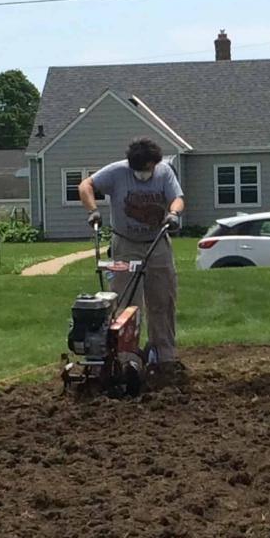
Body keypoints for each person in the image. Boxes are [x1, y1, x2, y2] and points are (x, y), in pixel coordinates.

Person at [79, 137, 184, 377]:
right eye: (139, 170)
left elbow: (177, 197)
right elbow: (85, 185)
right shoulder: (116, 172)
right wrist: (93, 211)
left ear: (154, 164)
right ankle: (125, 357)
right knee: (125, 303)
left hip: (156, 243)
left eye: (147, 169)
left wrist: (174, 213)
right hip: (125, 244)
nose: (143, 174)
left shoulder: (164, 172)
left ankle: (165, 357)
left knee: (163, 300)